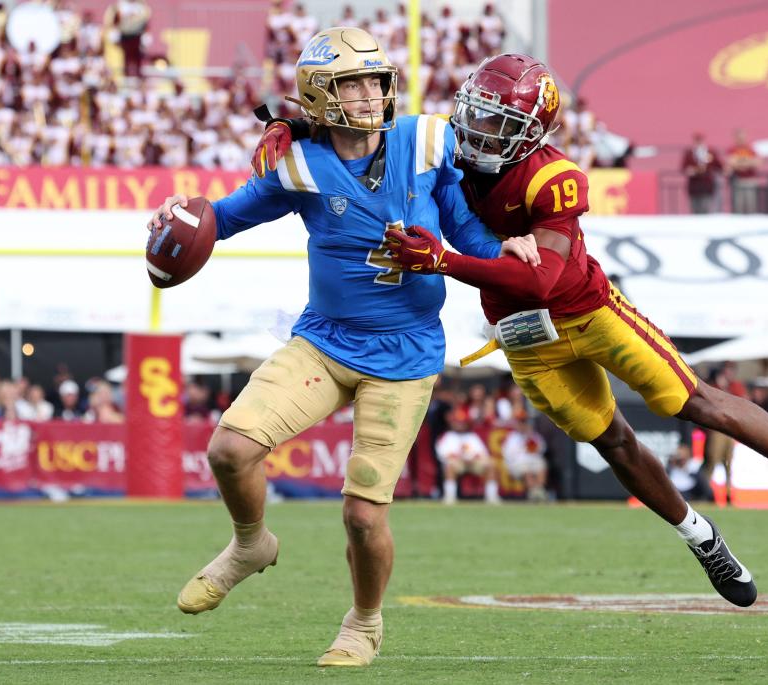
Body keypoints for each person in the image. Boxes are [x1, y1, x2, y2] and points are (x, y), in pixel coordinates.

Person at [379, 53, 768, 607]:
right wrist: (290, 123)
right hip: (524, 337)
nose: (478, 130)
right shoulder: (441, 148)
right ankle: (703, 538)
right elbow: (370, 130)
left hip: (588, 312)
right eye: (477, 112)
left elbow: (542, 281)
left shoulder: (554, 177)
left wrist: (443, 261)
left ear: (532, 133)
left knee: (692, 402)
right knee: (613, 441)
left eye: (499, 122)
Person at [150, 28, 537, 668]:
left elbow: (460, 221)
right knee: (230, 449)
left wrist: (502, 252)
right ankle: (250, 543)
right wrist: (181, 217)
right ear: (319, 94)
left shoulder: (424, 140)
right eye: (351, 82)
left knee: (362, 515)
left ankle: (363, 623)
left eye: (374, 80)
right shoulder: (299, 166)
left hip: (406, 355)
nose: (368, 94)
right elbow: (226, 216)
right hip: (325, 341)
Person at [434, 406, 499, 504]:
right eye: (458, 422)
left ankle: (492, 498)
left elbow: (482, 453)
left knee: (491, 464)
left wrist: (472, 457)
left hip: (473, 463)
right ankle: (449, 498)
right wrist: (459, 457)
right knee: (449, 466)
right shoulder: (447, 436)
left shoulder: (472, 436)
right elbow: (442, 454)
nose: (460, 425)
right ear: (453, 423)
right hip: (457, 463)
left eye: (462, 422)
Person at [500, 412, 548, 501]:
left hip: (533, 460)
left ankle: (539, 491)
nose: (522, 424)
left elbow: (542, 448)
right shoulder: (512, 437)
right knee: (527, 472)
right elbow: (508, 455)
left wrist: (529, 436)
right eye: (520, 422)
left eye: (524, 422)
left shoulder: (533, 435)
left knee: (542, 466)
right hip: (518, 463)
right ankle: (534, 494)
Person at [681, 131, 723, 214]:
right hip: (694, 185)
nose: (698, 142)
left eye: (700, 140)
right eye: (697, 140)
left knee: (706, 208)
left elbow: (719, 166)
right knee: (695, 209)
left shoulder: (710, 152)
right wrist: (693, 170)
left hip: (707, 184)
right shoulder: (689, 153)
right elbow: (684, 168)